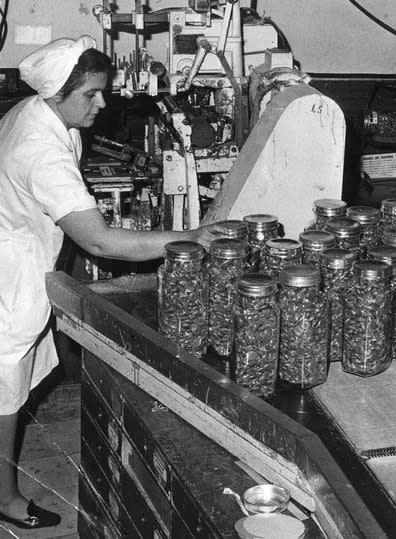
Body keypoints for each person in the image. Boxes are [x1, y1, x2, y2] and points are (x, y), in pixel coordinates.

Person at [0, 37, 214, 530]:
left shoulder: (36, 111)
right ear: (57, 94)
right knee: (6, 395)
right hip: (12, 276)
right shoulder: (41, 150)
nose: (103, 103)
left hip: (21, 251)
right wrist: (191, 236)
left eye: (103, 91)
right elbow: (98, 242)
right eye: (91, 95)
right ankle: (7, 499)